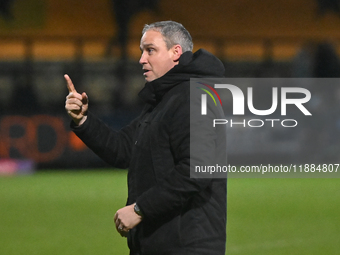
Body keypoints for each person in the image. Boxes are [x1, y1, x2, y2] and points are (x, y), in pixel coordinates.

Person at [65, 21, 226, 255]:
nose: (142, 59)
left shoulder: (193, 98)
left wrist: (140, 209)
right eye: (142, 51)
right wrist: (83, 120)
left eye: (150, 50)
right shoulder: (165, 101)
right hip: (159, 242)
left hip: (186, 245)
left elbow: (196, 169)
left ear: (176, 52)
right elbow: (122, 149)